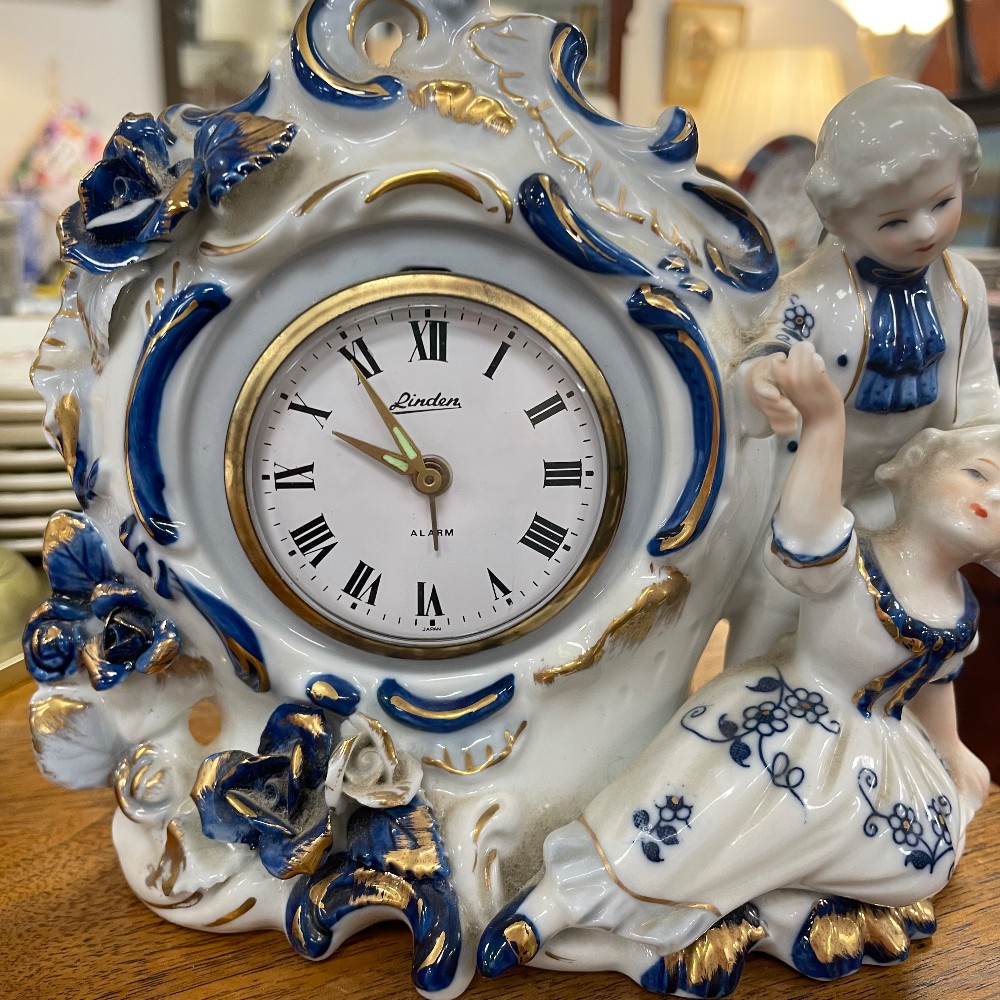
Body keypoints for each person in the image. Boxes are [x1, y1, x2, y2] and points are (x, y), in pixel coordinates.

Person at [478, 342, 992, 992]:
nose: (990, 499)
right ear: (913, 472)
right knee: (698, 809)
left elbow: (936, 685)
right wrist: (824, 423)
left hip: (876, 756)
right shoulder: (858, 560)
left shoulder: (960, 610)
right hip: (781, 718)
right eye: (977, 474)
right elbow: (805, 531)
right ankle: (556, 906)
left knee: (922, 861)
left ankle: (752, 904)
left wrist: (952, 751)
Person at [728, 76, 1000, 667]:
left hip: (902, 490)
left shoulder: (963, 287)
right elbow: (767, 347)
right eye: (895, 221)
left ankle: (873, 708)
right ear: (843, 220)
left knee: (890, 618)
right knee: (779, 608)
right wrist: (761, 383)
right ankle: (748, 698)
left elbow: (978, 384)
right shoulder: (811, 294)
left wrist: (980, 460)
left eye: (942, 204)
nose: (925, 229)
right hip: (807, 488)